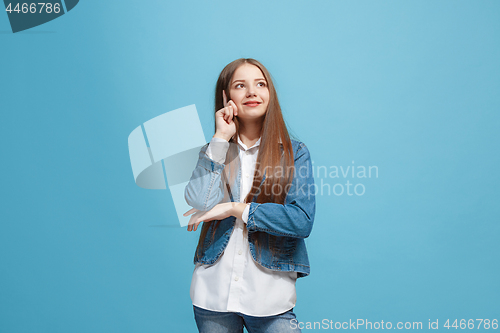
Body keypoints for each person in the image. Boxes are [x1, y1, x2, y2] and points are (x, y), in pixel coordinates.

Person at [183, 58, 315, 333]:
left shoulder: (294, 153)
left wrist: (235, 209)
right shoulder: (214, 151)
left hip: (271, 299)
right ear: (226, 97)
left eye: (260, 84)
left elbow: (300, 221)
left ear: (270, 94)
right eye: (240, 85)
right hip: (213, 297)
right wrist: (220, 139)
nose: (252, 92)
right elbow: (198, 200)